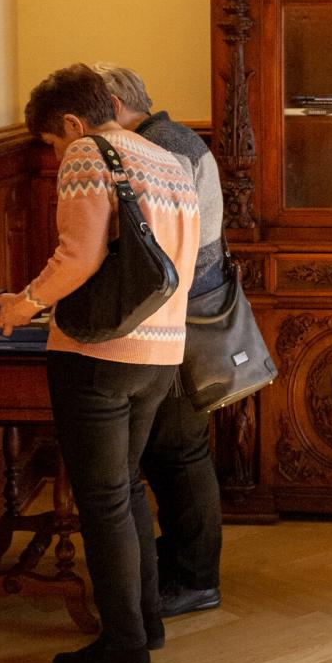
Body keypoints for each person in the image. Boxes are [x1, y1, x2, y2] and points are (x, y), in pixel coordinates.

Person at [0, 64, 199, 663]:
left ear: (72, 123)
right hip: (162, 351)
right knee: (127, 491)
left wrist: (24, 304)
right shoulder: (169, 159)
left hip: (98, 354)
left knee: (103, 503)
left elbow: (78, 257)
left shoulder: (90, 152)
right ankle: (146, 625)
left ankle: (123, 646)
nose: (58, 156)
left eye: (52, 142)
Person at [94, 62, 226, 618]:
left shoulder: (159, 147)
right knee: (179, 450)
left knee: (178, 450)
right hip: (188, 308)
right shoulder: (172, 138)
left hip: (178, 316)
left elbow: (154, 252)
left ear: (113, 105)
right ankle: (185, 569)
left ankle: (194, 579)